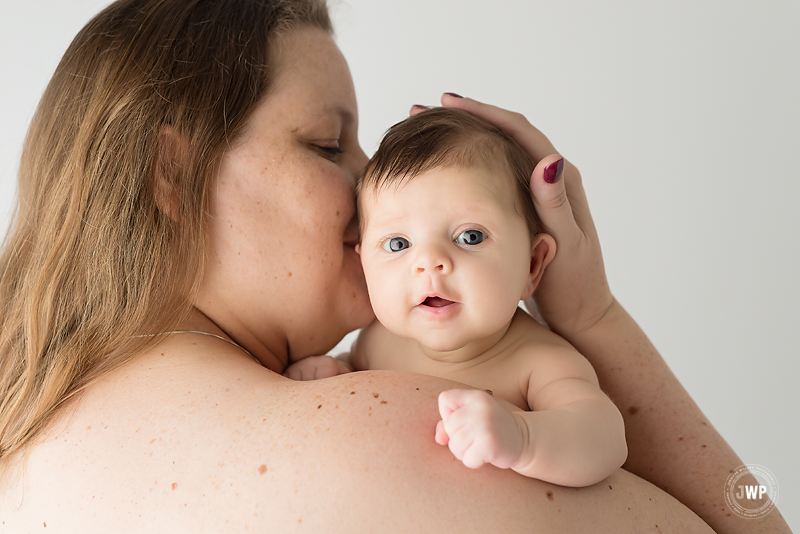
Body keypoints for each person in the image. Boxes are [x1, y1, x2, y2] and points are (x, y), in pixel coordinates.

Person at [0, 0, 790, 532]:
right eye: (325, 144)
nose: (375, 178)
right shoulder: (405, 432)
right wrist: (594, 318)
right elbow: (755, 516)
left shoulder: (22, 449)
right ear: (169, 176)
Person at [284, 107, 628, 487]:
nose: (430, 263)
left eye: (470, 237)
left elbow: (605, 437)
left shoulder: (539, 363)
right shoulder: (376, 343)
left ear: (532, 264)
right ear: (363, 261)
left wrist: (522, 437)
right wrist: (334, 373)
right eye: (398, 243)